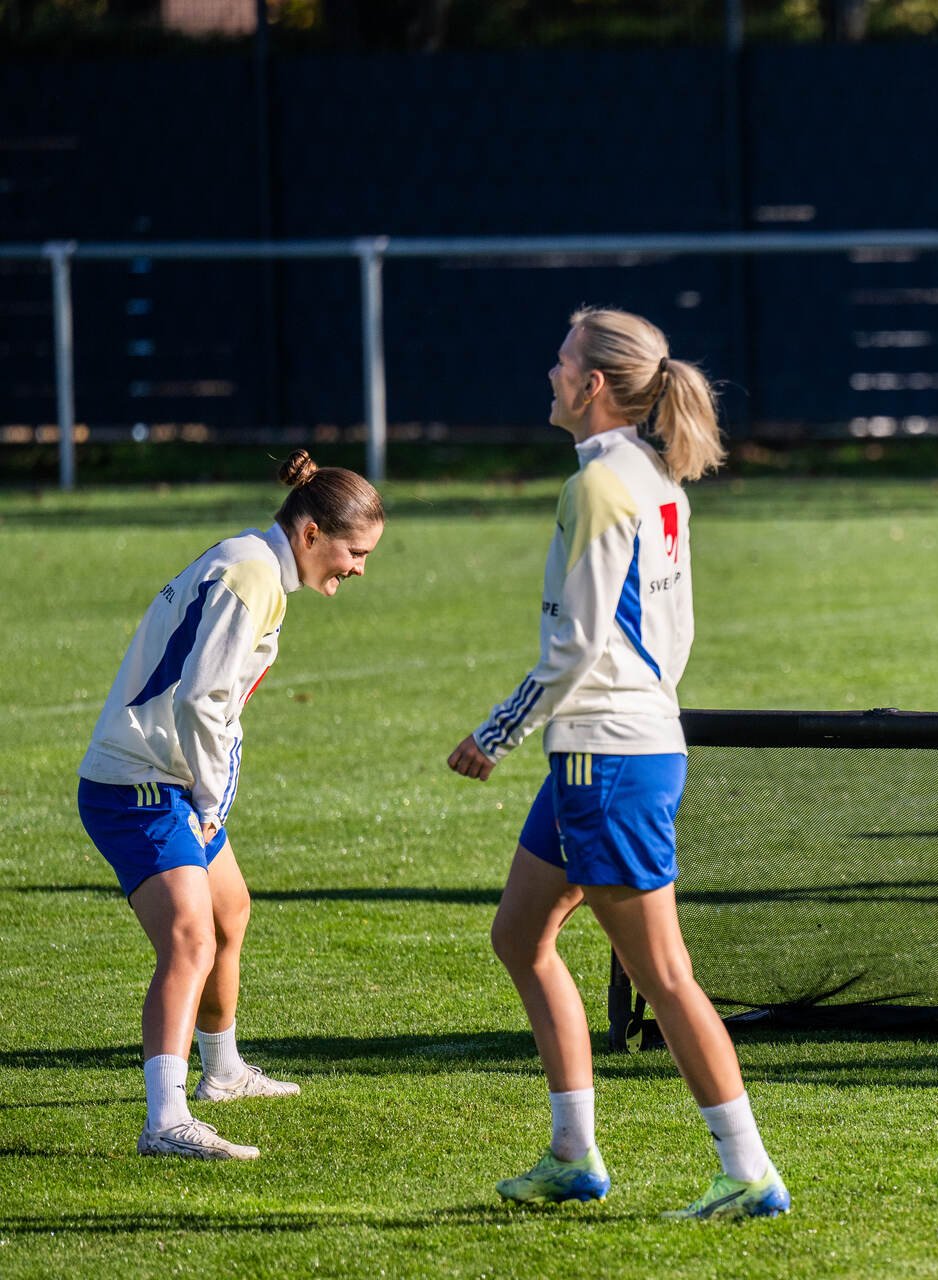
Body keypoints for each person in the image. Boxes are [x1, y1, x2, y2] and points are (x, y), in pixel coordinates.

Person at [447, 307, 788, 1221]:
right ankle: (574, 1155)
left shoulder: (601, 484)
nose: (551, 376)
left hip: (610, 757)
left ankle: (749, 1170)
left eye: (561, 363)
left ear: (593, 384)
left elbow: (576, 645)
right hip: (617, 750)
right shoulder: (653, 476)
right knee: (520, 937)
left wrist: (496, 733)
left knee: (663, 975)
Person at [78, 451, 385, 1159]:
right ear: (309, 533)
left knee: (228, 909)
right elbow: (203, 698)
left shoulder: (254, 562)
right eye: (354, 551)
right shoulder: (252, 574)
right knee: (190, 938)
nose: (360, 568)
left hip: (170, 778)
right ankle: (166, 1121)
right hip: (140, 786)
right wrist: (212, 801)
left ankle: (222, 1072)